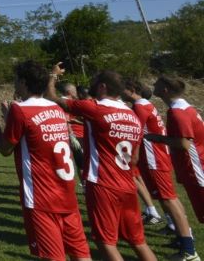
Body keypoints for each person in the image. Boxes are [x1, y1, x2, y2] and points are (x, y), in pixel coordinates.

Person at [0, 61, 92, 261]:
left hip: (41, 197)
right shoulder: (56, 108)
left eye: (15, 80)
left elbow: (5, 148)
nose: (14, 84)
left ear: (23, 82)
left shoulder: (20, 110)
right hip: (66, 193)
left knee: (52, 256)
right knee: (80, 254)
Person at [46, 65, 156, 261]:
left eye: (94, 85)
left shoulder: (95, 107)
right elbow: (135, 158)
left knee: (106, 242)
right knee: (138, 241)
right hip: (128, 185)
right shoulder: (133, 115)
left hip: (103, 184)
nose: (92, 89)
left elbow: (52, 97)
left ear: (103, 87)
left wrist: (53, 75)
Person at [122, 80, 197, 257]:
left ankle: (188, 248)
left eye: (123, 89)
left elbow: (136, 132)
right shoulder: (144, 104)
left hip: (153, 158)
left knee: (168, 199)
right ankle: (181, 234)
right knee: (168, 198)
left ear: (132, 90)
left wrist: (134, 156)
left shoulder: (140, 107)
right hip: (156, 156)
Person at [144, 75, 204, 261]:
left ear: (166, 90)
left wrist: (157, 138)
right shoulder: (185, 108)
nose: (153, 85)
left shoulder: (178, 112)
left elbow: (184, 144)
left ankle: (190, 253)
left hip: (196, 168)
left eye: (158, 84)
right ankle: (188, 250)